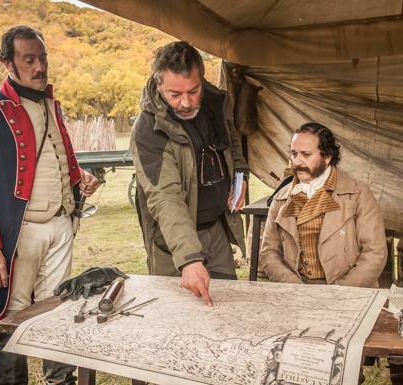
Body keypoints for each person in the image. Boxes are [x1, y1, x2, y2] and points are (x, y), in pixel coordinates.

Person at [0, 25, 99, 385]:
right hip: (19, 233)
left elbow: (52, 160)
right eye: (29, 60)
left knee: (59, 309)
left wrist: (79, 177)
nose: (40, 67)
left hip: (61, 227)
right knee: (12, 316)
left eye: (43, 58)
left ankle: (60, 381)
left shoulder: (52, 104)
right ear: (8, 63)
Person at [131, 41, 249, 305]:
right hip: (172, 243)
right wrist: (189, 258)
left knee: (227, 308)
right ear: (159, 85)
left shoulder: (216, 103)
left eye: (193, 91)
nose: (185, 102)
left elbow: (231, 143)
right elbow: (165, 197)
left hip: (216, 231)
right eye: (175, 94)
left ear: (201, 79)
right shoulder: (148, 131)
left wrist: (240, 174)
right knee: (179, 319)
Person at [260, 122, 386, 287]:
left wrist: (340, 291)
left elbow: (375, 252)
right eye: (294, 154)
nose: (297, 162)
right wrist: (294, 287)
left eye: (306, 154)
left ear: (327, 157)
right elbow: (269, 252)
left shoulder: (358, 194)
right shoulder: (281, 198)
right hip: (297, 289)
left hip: (350, 290)